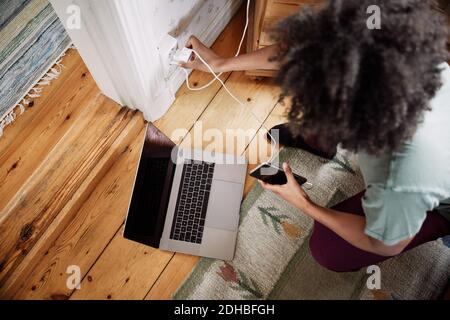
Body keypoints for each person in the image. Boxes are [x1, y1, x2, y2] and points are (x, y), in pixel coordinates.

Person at [181, 0, 450, 272]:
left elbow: (386, 244)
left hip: (438, 196)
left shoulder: (402, 174)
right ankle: (320, 143)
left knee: (328, 248)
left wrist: (305, 204)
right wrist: (221, 63)